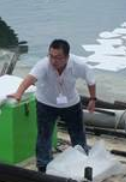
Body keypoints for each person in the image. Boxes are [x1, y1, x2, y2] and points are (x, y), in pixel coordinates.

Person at [8, 39, 96, 173]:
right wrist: (19, 93)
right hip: (46, 103)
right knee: (44, 135)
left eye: (58, 57)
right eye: (51, 56)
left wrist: (92, 99)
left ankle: (82, 161)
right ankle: (43, 165)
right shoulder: (43, 64)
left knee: (78, 133)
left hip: (71, 103)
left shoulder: (79, 64)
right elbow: (30, 78)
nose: (54, 61)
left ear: (67, 57)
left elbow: (91, 80)